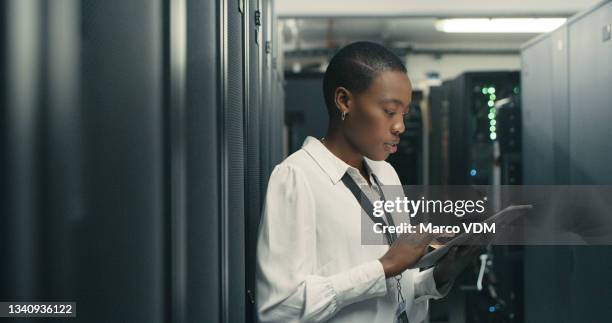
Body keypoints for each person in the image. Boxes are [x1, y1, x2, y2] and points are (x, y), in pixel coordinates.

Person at [256, 41, 480, 323]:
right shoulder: (296, 177)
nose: (400, 126)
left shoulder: (385, 173)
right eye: (389, 111)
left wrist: (438, 276)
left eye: (404, 114)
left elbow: (398, 290)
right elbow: (277, 310)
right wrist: (383, 267)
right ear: (344, 101)